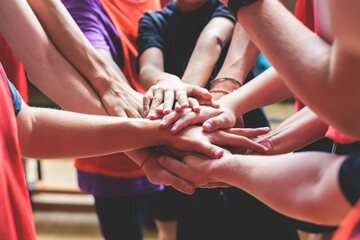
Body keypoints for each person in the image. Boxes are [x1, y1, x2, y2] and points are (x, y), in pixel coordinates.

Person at [137, 1, 299, 239]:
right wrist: (167, 81)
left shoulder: (225, 8)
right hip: (189, 146)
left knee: (264, 219)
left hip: (241, 134)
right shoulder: (154, 20)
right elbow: (148, 70)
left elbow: (212, 39)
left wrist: (184, 96)